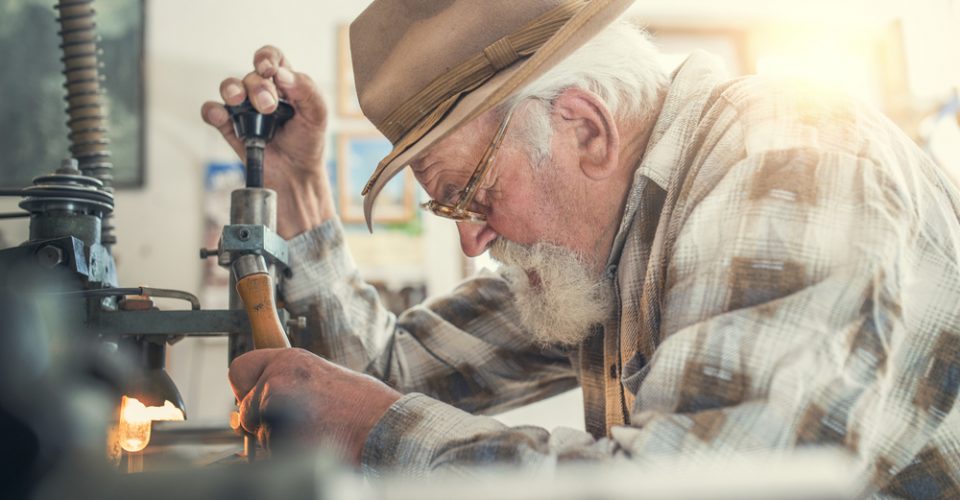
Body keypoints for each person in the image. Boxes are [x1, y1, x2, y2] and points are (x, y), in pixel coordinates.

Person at [201, 0, 960, 496]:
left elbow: (705, 486)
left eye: (472, 193)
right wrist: (300, 187)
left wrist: (383, 431)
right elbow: (379, 377)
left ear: (585, 130)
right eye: (448, 206)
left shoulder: (794, 163)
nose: (471, 239)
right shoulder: (595, 246)